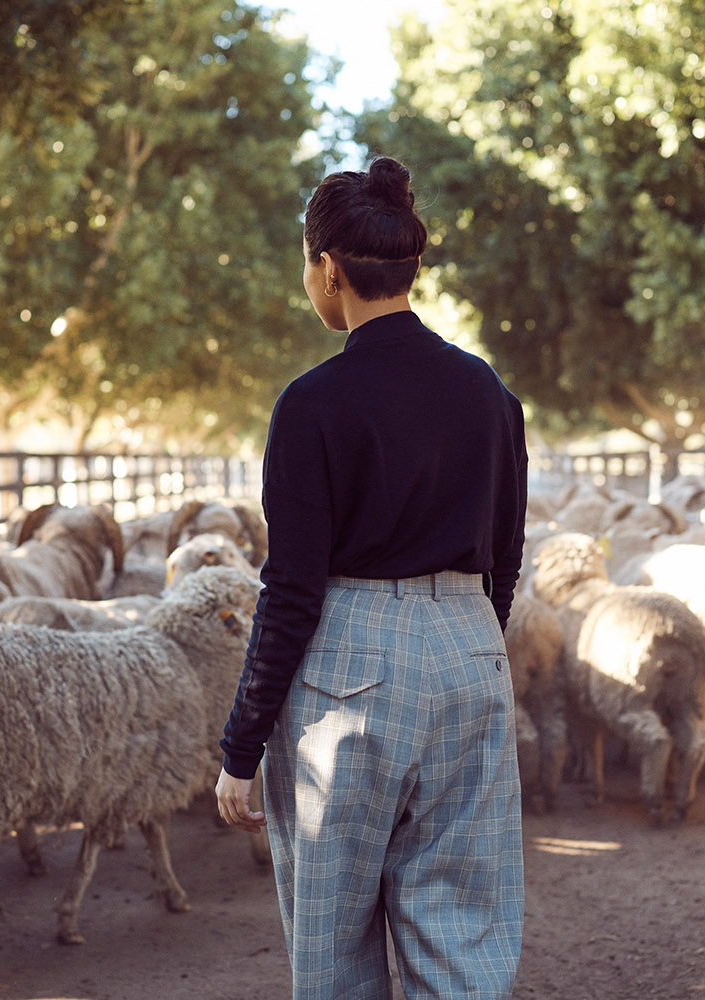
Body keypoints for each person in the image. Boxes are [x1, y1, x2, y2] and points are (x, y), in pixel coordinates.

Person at [215, 155, 528, 999]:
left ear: (328, 269)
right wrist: (468, 640)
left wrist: (241, 746)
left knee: (334, 939)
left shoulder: (312, 403)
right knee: (463, 933)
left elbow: (292, 588)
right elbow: (506, 552)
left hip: (349, 663)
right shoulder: (489, 393)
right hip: (470, 648)